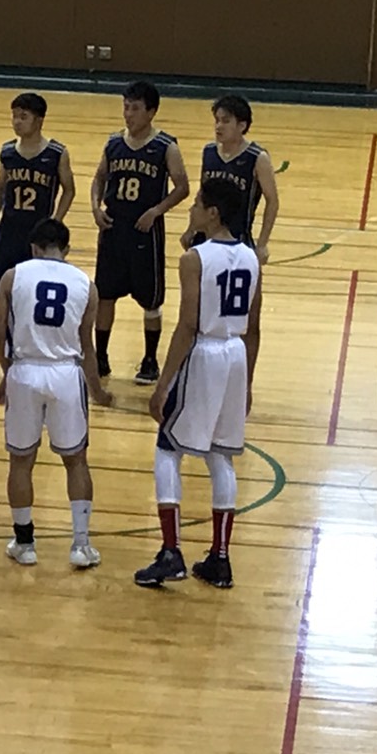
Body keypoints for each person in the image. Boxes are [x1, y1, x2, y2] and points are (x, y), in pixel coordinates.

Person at [134, 178, 260, 590]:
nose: (191, 210)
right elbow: (254, 328)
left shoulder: (194, 259)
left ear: (213, 213)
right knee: (220, 455)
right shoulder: (252, 257)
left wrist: (163, 384)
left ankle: (171, 552)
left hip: (204, 352)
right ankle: (220, 558)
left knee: (167, 448)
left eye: (197, 205)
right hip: (236, 354)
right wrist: (247, 383)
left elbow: (187, 325)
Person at [0, 217, 112, 569]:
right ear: (66, 249)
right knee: (76, 461)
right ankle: (81, 545)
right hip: (65, 374)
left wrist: (8, 372)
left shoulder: (12, 277)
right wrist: (98, 390)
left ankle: (25, 544)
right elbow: (87, 346)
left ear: (34, 248)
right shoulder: (86, 284)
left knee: (21, 461)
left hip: (25, 371)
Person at [0, 92, 75, 379]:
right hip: (7, 231)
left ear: (39, 120)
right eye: (14, 116)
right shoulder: (8, 152)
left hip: (36, 237)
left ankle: (25, 348)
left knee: (29, 297)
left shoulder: (56, 153)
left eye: (23, 116)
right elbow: (0, 187)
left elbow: (69, 189)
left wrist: (56, 220)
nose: (17, 122)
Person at [90, 81, 188, 384]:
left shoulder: (166, 146)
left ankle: (149, 360)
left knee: (151, 300)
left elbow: (182, 187)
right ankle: (101, 357)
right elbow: (99, 178)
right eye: (125, 107)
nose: (128, 114)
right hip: (114, 229)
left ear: (151, 111)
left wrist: (157, 211)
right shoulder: (113, 143)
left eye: (134, 108)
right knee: (105, 295)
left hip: (145, 232)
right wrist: (95, 207)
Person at [181, 94, 279, 398]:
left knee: (249, 320)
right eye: (216, 120)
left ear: (242, 125)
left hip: (240, 245)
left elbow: (273, 201)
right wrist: (190, 229)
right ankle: (196, 373)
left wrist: (262, 244)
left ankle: (244, 383)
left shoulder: (257, 158)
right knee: (198, 314)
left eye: (225, 121)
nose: (218, 126)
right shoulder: (209, 152)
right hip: (208, 244)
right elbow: (203, 196)